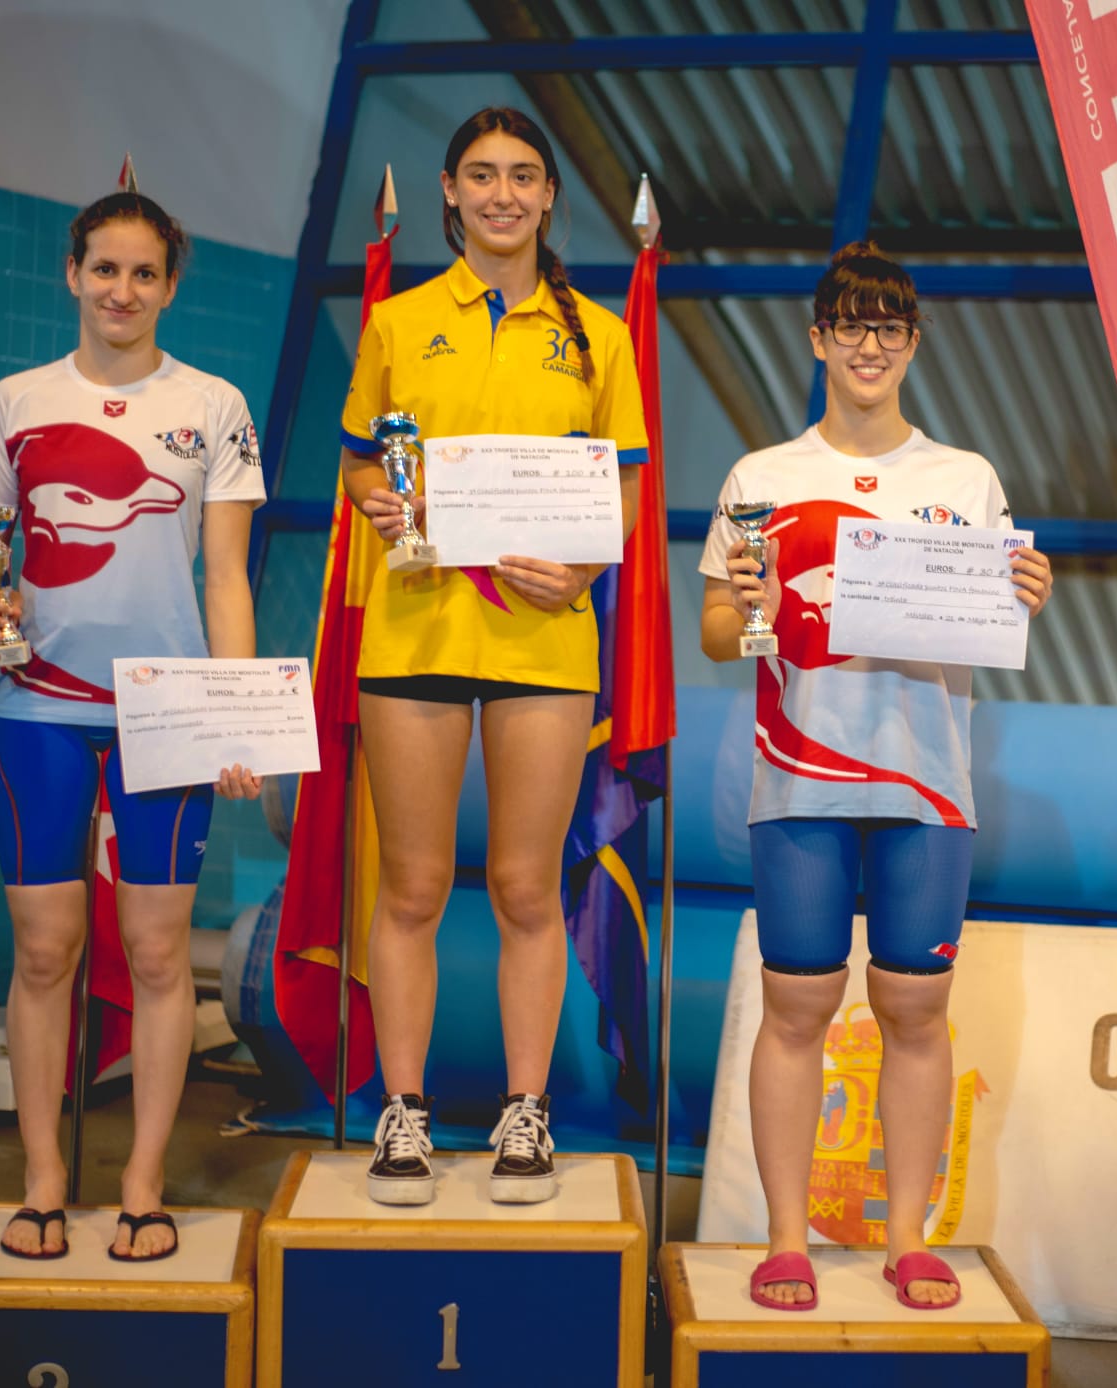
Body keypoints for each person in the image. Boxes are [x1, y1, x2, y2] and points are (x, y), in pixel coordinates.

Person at [699, 242, 1053, 1312]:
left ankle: (906, 1239)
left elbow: (994, 620)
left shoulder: (965, 479)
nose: (869, 345)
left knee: (914, 1007)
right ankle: (784, 1240)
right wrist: (749, 606)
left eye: (888, 327)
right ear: (817, 339)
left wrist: (1022, 593)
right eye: (850, 325)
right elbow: (715, 631)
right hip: (798, 779)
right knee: (797, 1005)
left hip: (926, 785)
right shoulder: (761, 478)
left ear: (912, 341)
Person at [338, 107, 646, 1206]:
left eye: (522, 175)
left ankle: (525, 1115)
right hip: (416, 624)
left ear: (550, 195)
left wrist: (582, 566)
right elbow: (360, 465)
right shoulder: (399, 322)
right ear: (450, 191)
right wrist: (380, 504)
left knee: (524, 885)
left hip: (544, 637)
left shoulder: (598, 336)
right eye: (481, 175)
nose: (502, 194)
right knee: (414, 883)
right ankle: (404, 1113)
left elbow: (625, 487)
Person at [0, 191, 265, 1262]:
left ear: (170, 286)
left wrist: (234, 715)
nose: (121, 290)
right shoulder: (18, 399)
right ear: (72, 274)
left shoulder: (214, 405)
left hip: (164, 711)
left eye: (143, 273)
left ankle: (143, 1181)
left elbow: (226, 575)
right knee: (45, 949)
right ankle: (44, 1177)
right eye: (104, 269)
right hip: (38, 704)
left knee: (156, 948)